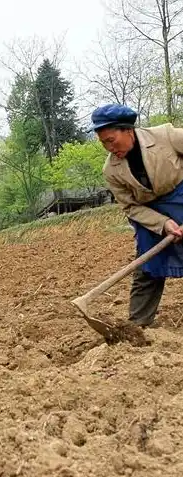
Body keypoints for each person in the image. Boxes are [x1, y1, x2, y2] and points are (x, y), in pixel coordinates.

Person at [88, 104, 183, 329]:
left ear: (128, 131)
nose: (109, 148)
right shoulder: (111, 170)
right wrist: (163, 224)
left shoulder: (165, 136)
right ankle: (137, 327)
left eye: (111, 140)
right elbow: (130, 207)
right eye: (103, 143)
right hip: (152, 214)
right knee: (148, 264)